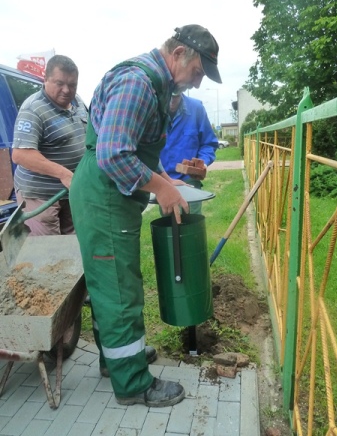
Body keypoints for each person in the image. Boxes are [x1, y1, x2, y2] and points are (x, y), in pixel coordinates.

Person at [69, 24, 222, 408]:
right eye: (198, 72)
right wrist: (161, 188)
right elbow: (113, 155)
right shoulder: (138, 82)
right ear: (179, 54)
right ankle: (134, 384)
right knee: (121, 289)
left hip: (111, 196)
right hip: (103, 196)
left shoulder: (158, 84)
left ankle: (118, 360)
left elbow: (138, 152)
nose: (197, 83)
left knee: (111, 283)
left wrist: (165, 178)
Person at [12, 55, 87, 236]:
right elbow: (21, 155)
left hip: (71, 191)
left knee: (73, 246)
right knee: (46, 253)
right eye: (59, 83)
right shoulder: (34, 109)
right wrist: (63, 173)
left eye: (72, 84)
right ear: (45, 79)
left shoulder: (78, 102)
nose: (67, 90)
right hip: (41, 196)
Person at [160, 92, 218, 214]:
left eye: (175, 97)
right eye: (168, 96)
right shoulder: (155, 111)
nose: (171, 101)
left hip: (190, 182)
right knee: (168, 228)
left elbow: (208, 143)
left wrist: (203, 164)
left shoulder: (196, 109)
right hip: (164, 182)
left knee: (192, 227)